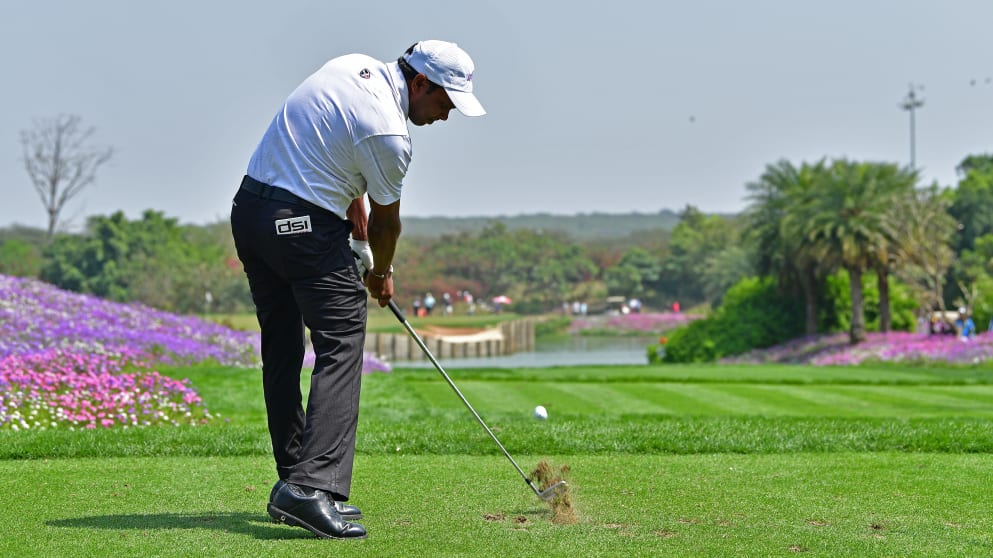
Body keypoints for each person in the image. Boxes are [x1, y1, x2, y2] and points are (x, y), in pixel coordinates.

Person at [230, 40, 485, 539]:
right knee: (343, 342)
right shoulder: (392, 134)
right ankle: (309, 489)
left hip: (251, 212)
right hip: (302, 223)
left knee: (282, 346)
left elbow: (346, 179)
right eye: (444, 102)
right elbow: (390, 224)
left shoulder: (351, 66)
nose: (445, 115)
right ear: (419, 84)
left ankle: (293, 483)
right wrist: (380, 272)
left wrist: (360, 244)